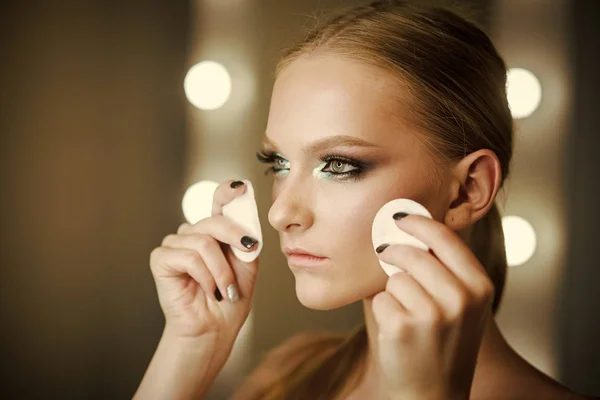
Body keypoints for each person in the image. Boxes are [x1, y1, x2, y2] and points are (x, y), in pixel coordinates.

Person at [134, 1, 594, 399]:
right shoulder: (289, 374)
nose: (279, 213)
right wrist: (190, 348)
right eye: (278, 163)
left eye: (338, 165)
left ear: (468, 189)